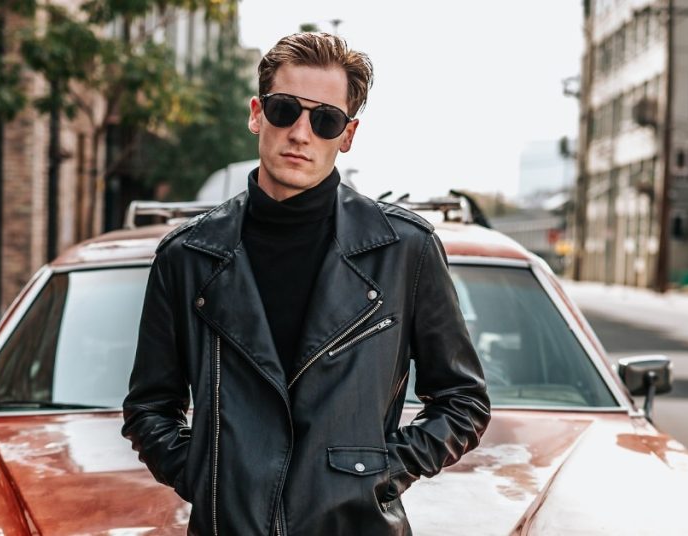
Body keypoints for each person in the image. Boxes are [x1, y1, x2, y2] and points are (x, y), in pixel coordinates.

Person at [122, 32, 490, 536]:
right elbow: (149, 406)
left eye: (324, 120)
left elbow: (462, 399)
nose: (300, 132)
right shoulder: (188, 256)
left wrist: (379, 474)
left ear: (347, 134)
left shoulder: (405, 250)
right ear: (256, 113)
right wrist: (208, 475)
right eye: (284, 110)